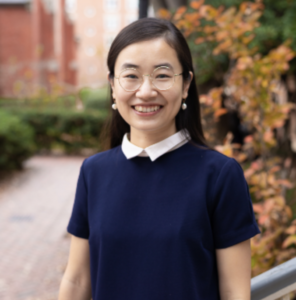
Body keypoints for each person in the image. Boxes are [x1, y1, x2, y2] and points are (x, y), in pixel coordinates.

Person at [58, 18, 261, 300]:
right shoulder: (94, 172)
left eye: (162, 75)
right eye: (131, 76)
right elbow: (77, 280)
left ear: (186, 84)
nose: (145, 91)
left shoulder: (220, 175)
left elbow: (234, 291)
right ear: (113, 86)